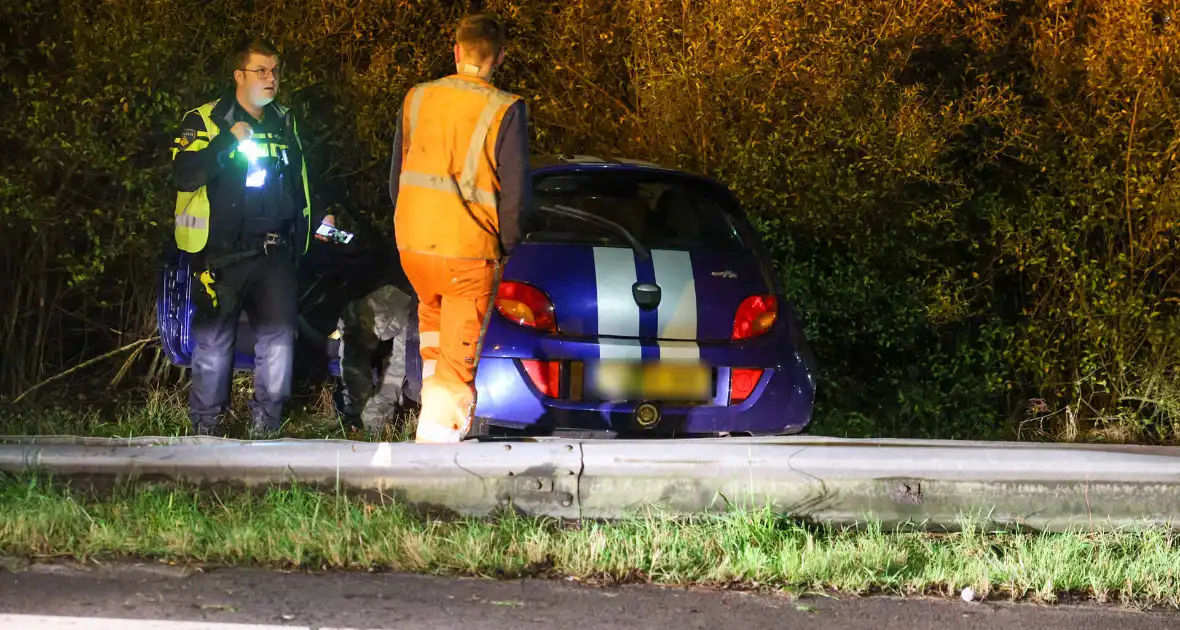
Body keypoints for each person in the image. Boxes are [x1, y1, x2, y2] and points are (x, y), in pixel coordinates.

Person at [170, 36, 333, 437]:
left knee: (279, 340)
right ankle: (207, 431)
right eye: (261, 70)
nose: (271, 78)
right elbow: (184, 176)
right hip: (221, 254)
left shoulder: (284, 120)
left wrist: (317, 218)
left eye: (275, 70)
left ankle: (266, 429)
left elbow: (299, 180)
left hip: (274, 250)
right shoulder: (206, 120)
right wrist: (228, 142)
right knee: (213, 343)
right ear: (239, 75)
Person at [389, 13, 531, 443]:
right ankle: (437, 461)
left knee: (433, 333)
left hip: (414, 247)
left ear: (456, 50)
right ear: (500, 57)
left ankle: (428, 421)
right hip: (467, 253)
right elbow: (516, 192)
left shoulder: (417, 97)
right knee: (457, 361)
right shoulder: (506, 108)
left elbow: (396, 177)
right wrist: (507, 244)